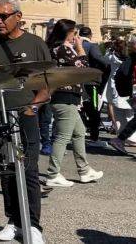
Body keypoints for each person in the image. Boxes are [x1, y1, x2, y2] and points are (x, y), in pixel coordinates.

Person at [0, 0, 49, 244]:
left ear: (18, 16)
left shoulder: (35, 44)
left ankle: (33, 225)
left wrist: (32, 109)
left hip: (24, 116)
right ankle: (14, 221)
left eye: (3, 16)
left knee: (28, 170)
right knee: (5, 171)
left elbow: (49, 83)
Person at [44, 20, 104, 188]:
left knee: (79, 132)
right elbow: (83, 68)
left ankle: (84, 170)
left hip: (68, 97)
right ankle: (53, 174)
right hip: (64, 97)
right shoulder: (62, 49)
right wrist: (81, 49)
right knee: (63, 136)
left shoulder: (60, 49)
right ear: (67, 33)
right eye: (74, 34)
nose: (76, 37)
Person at [104, 38, 136, 145]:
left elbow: (104, 62)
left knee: (118, 113)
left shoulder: (112, 57)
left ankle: (122, 136)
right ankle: (132, 138)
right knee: (130, 113)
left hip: (115, 84)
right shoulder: (132, 58)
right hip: (128, 86)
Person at [79, 27, 109, 142]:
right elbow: (100, 59)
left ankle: (81, 130)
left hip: (77, 81)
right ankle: (94, 134)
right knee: (94, 108)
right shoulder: (92, 46)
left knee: (80, 107)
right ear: (90, 35)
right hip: (91, 81)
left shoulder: (74, 45)